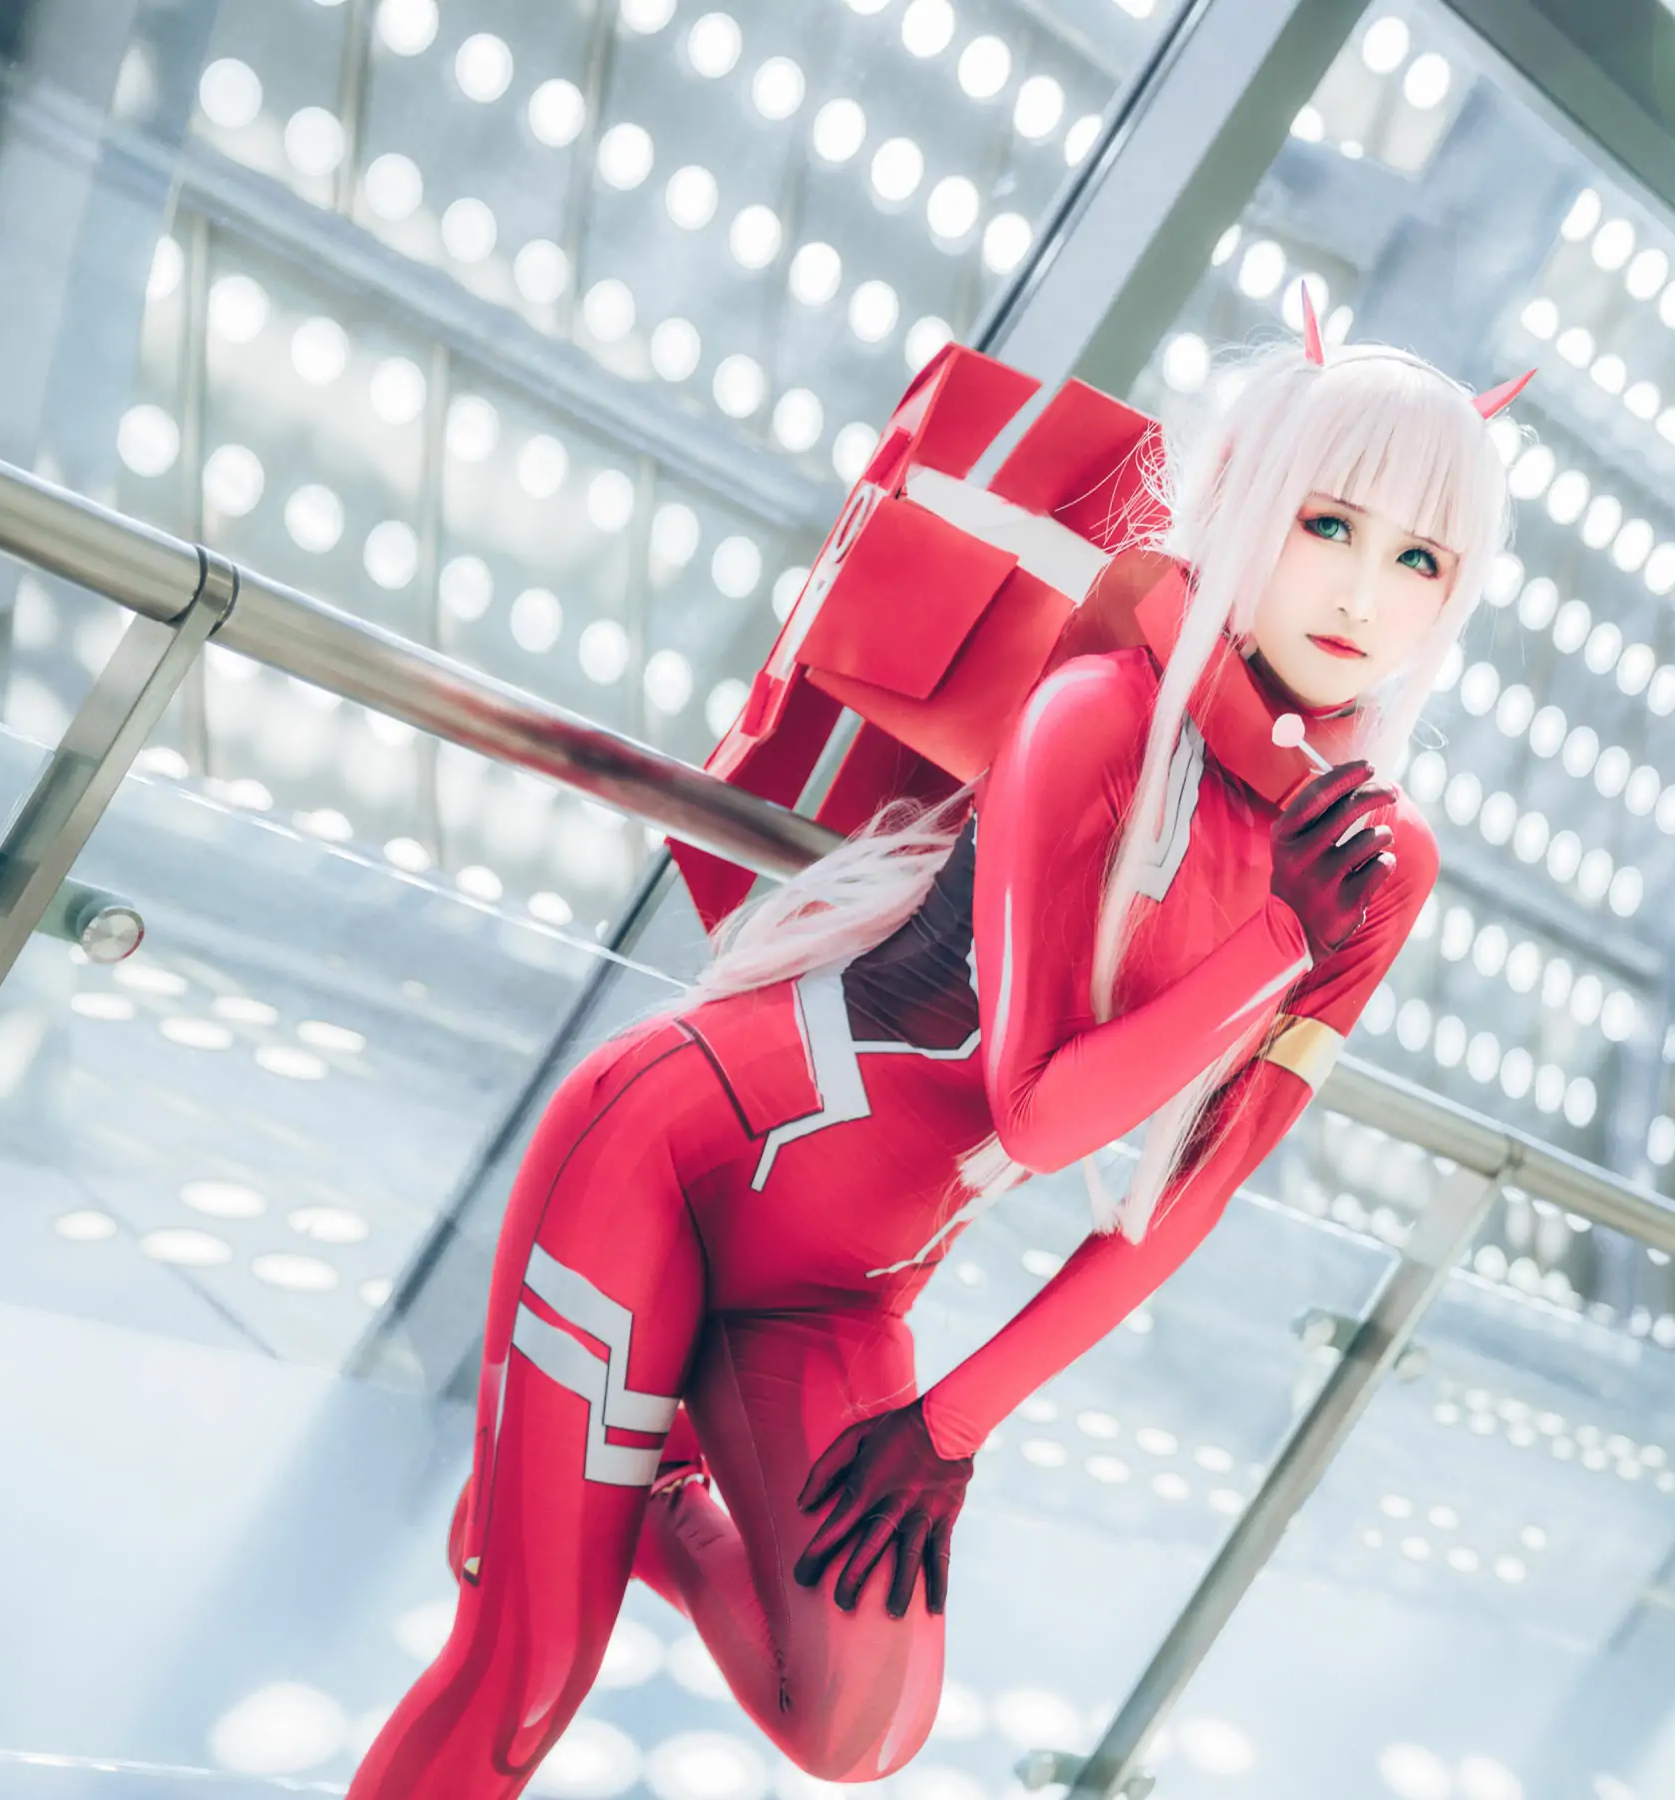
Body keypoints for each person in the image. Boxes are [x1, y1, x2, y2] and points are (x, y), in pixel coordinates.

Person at [347, 306, 1528, 1796]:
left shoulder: (1380, 865)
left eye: (1421, 560)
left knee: (859, 1726)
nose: (1364, 591)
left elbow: (1191, 1192)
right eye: (1330, 524)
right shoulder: (1098, 714)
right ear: (1245, 504)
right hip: (672, 1155)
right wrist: (1280, 936)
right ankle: (562, 1529)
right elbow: (1038, 1117)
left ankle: (638, 1497)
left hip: (846, 1283)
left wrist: (950, 1426)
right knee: (527, 1675)